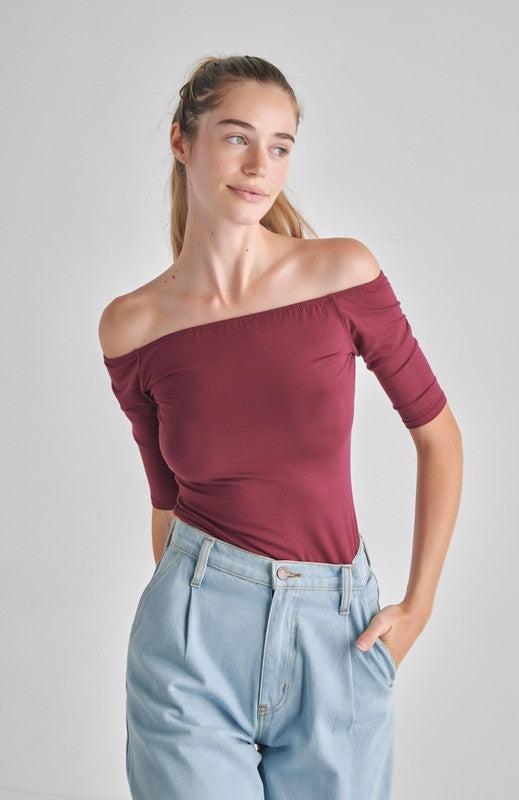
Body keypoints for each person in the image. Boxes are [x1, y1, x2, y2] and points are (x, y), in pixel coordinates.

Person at [98, 54, 463, 800]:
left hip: (337, 631)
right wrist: (189, 616)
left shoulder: (341, 275)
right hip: (193, 636)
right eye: (237, 137)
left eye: (280, 145)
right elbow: (166, 502)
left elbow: (438, 436)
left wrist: (419, 604)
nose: (259, 165)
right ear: (182, 141)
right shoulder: (133, 326)